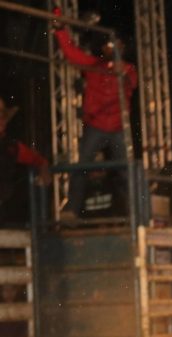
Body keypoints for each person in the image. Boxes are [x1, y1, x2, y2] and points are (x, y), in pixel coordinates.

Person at [52, 8, 137, 219]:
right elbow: (71, 53)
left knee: (125, 170)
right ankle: (72, 209)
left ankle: (135, 212)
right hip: (96, 125)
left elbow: (131, 82)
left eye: (116, 45)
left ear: (122, 47)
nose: (112, 48)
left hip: (117, 127)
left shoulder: (128, 69)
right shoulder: (93, 65)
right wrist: (60, 29)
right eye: (109, 45)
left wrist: (120, 71)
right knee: (82, 165)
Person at [0, 98, 50, 226]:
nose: (3, 122)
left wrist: (43, 167)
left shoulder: (11, 147)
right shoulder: (11, 147)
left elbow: (38, 160)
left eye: (3, 118)